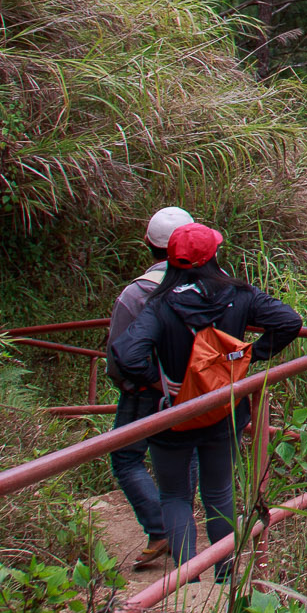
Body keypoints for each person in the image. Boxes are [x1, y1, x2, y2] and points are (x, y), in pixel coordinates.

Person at [112, 222, 302, 581]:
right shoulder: (239, 296)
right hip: (223, 409)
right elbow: (288, 321)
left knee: (174, 496)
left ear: (171, 260)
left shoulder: (160, 305)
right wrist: (250, 356)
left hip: (173, 416)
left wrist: (159, 382)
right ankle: (226, 576)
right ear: (214, 256)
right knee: (218, 492)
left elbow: (126, 354)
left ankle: (187, 581)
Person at [107, 205, 196, 571]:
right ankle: (181, 527)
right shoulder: (209, 287)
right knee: (186, 455)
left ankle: (160, 528)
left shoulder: (134, 294)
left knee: (126, 457)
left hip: (143, 393)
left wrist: (135, 382)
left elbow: (118, 354)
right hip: (195, 390)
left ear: (147, 243)